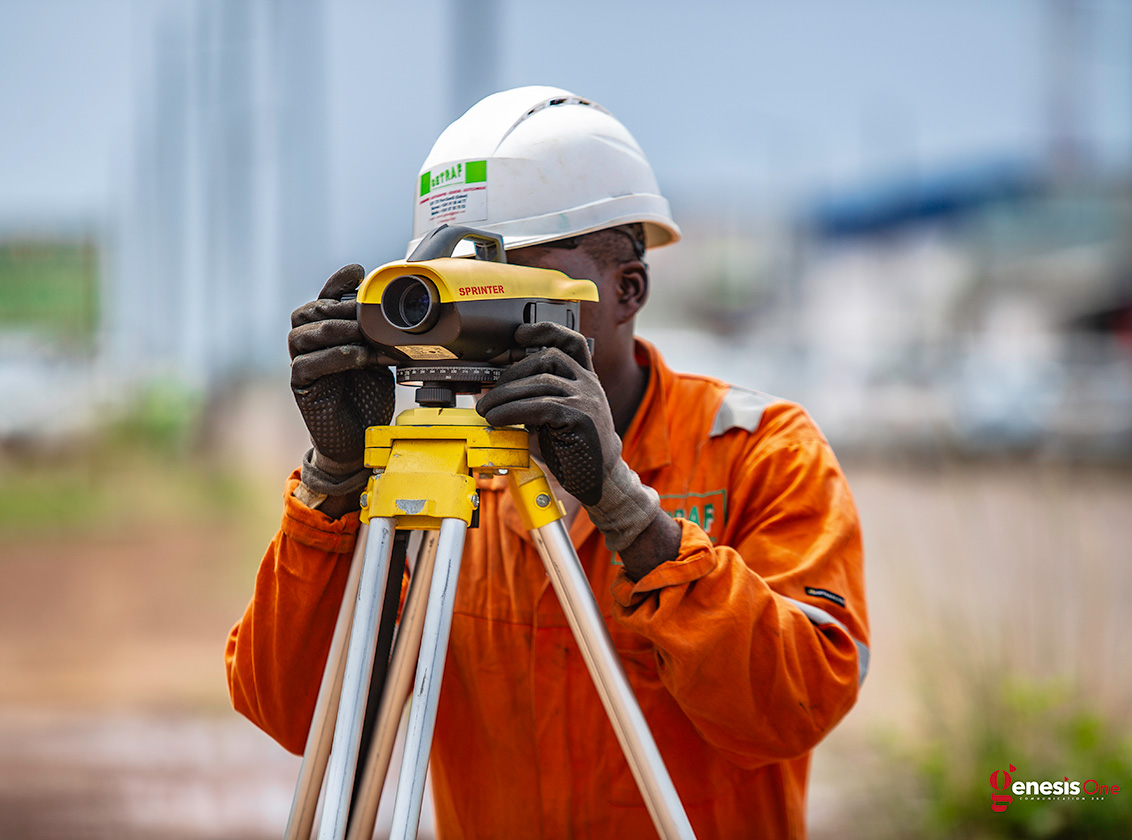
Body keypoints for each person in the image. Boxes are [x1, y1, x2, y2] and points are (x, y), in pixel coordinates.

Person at [226, 85, 869, 839]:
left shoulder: (759, 449)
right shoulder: (433, 480)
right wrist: (337, 482)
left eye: (513, 276)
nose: (476, 309)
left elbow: (795, 705)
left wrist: (627, 508)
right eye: (455, 278)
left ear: (627, 289)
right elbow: (296, 714)